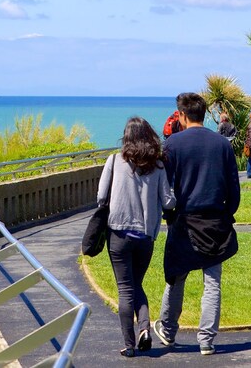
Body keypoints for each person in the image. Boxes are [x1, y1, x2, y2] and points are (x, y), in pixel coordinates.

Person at [155, 93, 240, 356]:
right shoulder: (222, 144)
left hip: (183, 219)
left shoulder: (173, 145)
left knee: (176, 277)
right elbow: (234, 189)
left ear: (181, 115)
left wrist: (168, 215)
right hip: (215, 219)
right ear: (203, 114)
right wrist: (227, 213)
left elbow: (164, 188)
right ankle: (206, 339)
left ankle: (168, 330)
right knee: (212, 282)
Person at [97, 116, 177, 358]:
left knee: (125, 288)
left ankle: (129, 344)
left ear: (127, 137)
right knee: (135, 284)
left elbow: (101, 196)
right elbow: (168, 201)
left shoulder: (114, 160)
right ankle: (144, 329)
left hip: (118, 234)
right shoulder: (159, 166)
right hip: (145, 236)